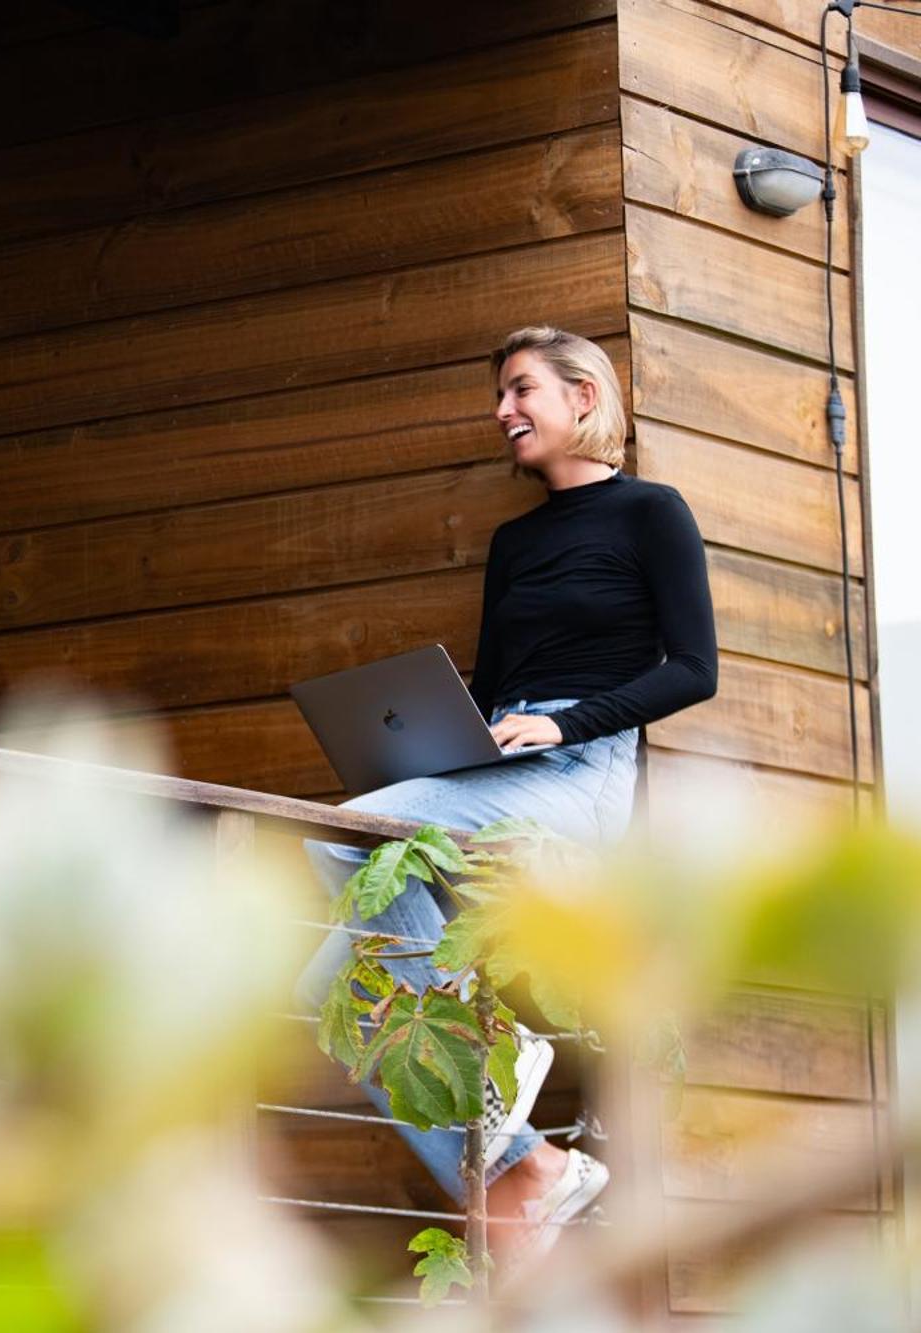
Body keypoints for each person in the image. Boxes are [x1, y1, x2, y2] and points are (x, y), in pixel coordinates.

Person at [294, 325, 719, 1261]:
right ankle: (529, 1166)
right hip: (501, 763)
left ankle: (502, 1081)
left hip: (583, 767)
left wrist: (568, 724)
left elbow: (694, 670)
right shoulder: (514, 541)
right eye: (499, 396)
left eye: (521, 389)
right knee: (326, 980)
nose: (503, 411)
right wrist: (433, 739)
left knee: (343, 835)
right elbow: (490, 687)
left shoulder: (654, 513)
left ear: (583, 397)